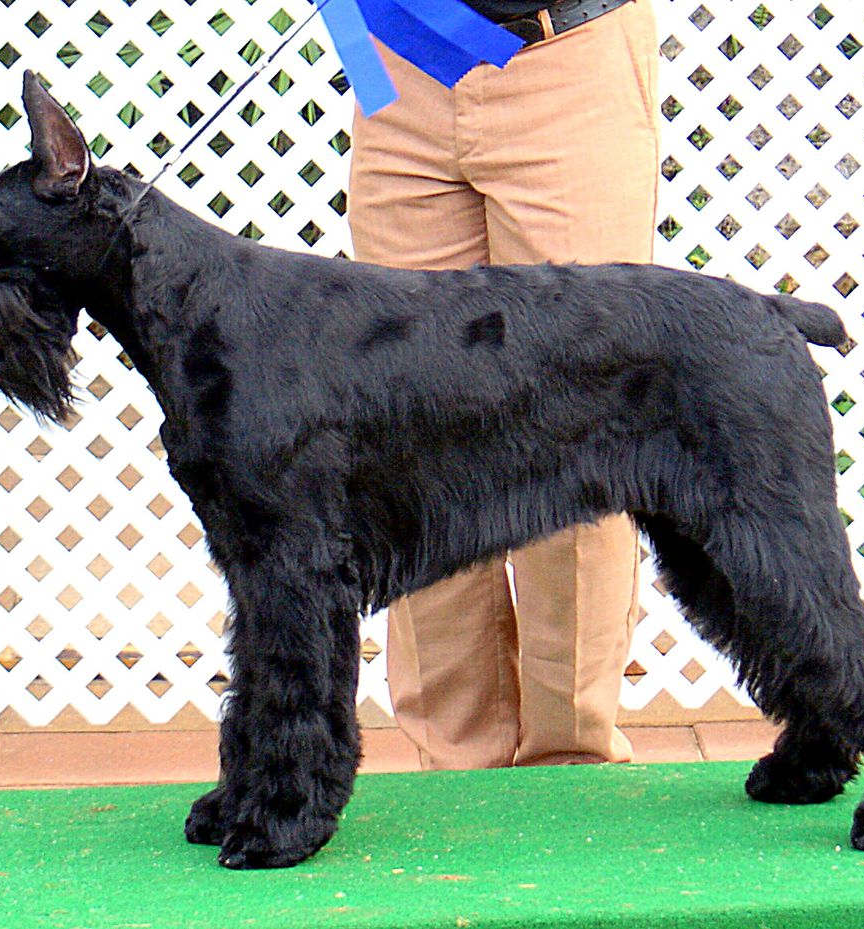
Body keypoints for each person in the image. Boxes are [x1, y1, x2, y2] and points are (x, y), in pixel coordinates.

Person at [347, 0, 660, 770]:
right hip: (399, 58)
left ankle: (572, 767)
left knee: (580, 429)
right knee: (416, 441)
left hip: (568, 53)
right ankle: (455, 769)